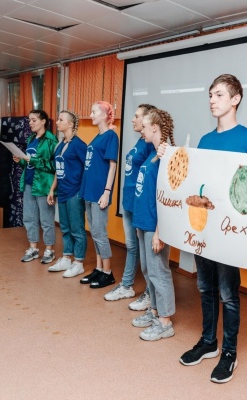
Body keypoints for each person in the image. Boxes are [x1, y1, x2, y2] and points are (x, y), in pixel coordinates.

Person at [178, 74, 247, 383]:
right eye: (210, 95)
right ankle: (208, 342)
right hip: (205, 228)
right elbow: (196, 181)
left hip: (229, 231)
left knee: (228, 293)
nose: (212, 100)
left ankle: (229, 352)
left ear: (236, 99)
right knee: (205, 287)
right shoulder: (205, 140)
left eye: (219, 95)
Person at [130, 108, 177, 341]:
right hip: (143, 221)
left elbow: (169, 199)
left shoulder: (167, 156)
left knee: (159, 272)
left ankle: (165, 322)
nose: (142, 130)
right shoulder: (154, 152)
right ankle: (155, 311)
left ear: (154, 128)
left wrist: (160, 232)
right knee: (149, 271)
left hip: (154, 225)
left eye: (145, 126)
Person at [104, 104, 156, 310]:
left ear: (147, 120)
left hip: (139, 203)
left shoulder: (151, 144)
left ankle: (150, 293)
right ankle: (126, 286)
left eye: (137, 116)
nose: (133, 120)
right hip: (128, 201)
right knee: (132, 247)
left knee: (145, 252)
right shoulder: (140, 140)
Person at [79, 101, 119, 289]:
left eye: (94, 112)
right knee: (94, 232)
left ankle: (108, 273)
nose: (91, 115)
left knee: (100, 233)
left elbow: (112, 166)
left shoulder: (111, 136)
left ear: (104, 115)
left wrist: (107, 192)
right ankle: (99, 268)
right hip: (89, 191)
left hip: (99, 193)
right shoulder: (98, 137)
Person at [46, 110, 88, 278]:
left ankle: (78, 263)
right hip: (62, 192)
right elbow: (58, 169)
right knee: (65, 228)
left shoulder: (79, 145)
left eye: (60, 120)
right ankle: (66, 258)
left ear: (70, 124)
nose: (57, 122)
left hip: (74, 192)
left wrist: (83, 191)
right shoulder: (60, 145)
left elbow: (88, 168)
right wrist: (52, 189)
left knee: (77, 229)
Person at [13, 109, 58, 264]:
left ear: (43, 121)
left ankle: (49, 250)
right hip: (29, 183)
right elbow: (29, 163)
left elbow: (53, 166)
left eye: (34, 120)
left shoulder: (51, 140)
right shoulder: (31, 138)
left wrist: (31, 160)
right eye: (29, 120)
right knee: (29, 218)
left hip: (44, 186)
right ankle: (33, 248)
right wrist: (21, 161)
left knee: (46, 219)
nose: (30, 123)